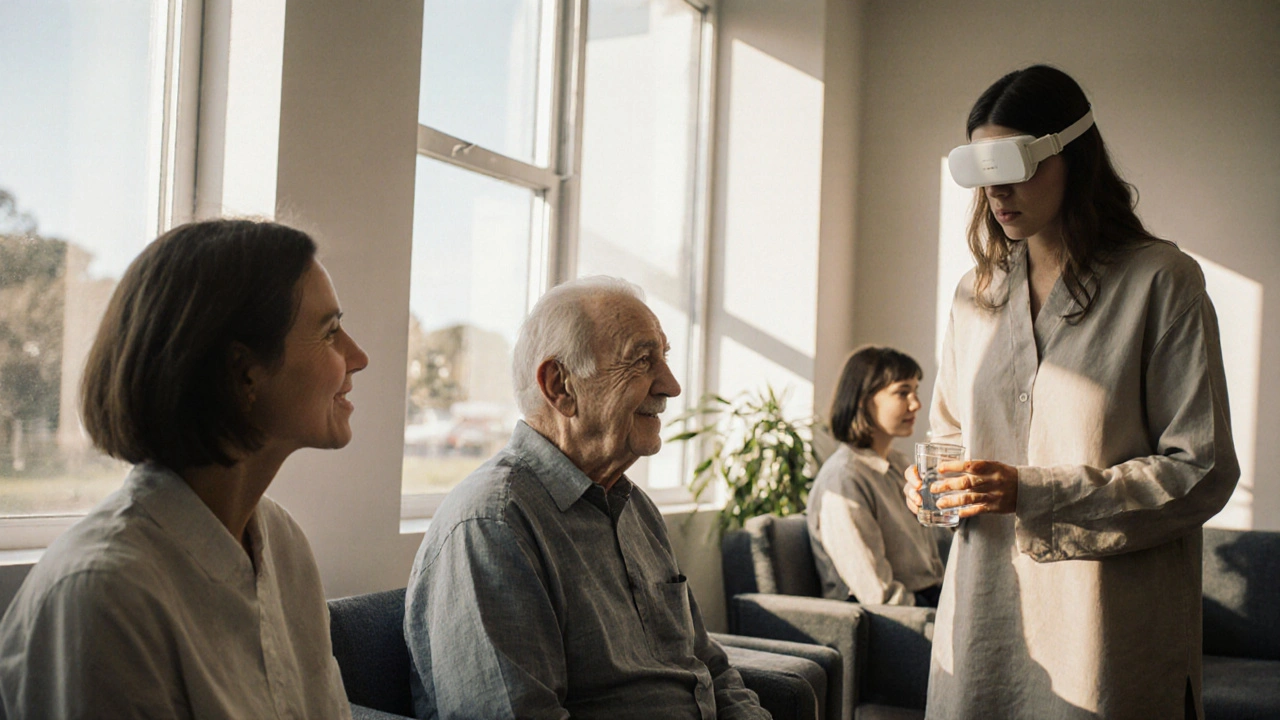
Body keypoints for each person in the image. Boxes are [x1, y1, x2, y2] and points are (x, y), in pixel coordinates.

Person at [905, 65, 1238, 719]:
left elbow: (1202, 470)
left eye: (1016, 165)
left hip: (1106, 633)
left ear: (1072, 156)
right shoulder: (977, 293)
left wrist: (1031, 490)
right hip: (987, 625)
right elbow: (948, 436)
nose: (996, 189)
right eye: (980, 168)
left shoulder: (1162, 282)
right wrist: (930, 490)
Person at [0, 219, 368, 718]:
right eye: (330, 333)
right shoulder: (105, 594)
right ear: (245, 373)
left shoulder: (284, 545)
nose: (358, 357)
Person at [405, 276, 769, 720]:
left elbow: (709, 665)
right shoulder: (492, 525)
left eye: (664, 358)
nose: (671, 386)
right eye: (641, 360)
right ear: (560, 386)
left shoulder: (636, 509)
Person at [808, 346, 944, 607]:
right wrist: (935, 619)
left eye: (915, 391)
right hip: (895, 619)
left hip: (929, 598)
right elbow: (877, 593)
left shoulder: (898, 464)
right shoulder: (843, 479)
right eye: (902, 392)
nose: (916, 403)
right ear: (862, 400)